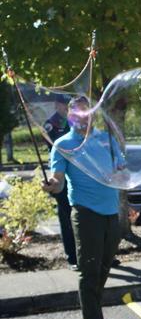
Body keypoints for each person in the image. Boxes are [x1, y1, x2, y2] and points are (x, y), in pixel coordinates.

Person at [41, 96, 126, 319]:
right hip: (86, 212)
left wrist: (123, 177)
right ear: (70, 117)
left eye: (86, 114)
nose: (82, 119)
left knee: (102, 269)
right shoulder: (63, 144)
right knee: (88, 270)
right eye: (77, 115)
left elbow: (120, 171)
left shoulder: (105, 139)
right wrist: (51, 186)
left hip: (111, 213)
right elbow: (58, 183)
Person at [43, 94, 77, 270]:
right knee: (66, 217)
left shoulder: (76, 122)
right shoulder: (52, 124)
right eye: (65, 105)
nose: (67, 107)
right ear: (57, 105)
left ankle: (94, 255)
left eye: (69, 105)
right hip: (61, 173)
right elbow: (56, 147)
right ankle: (72, 257)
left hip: (79, 174)